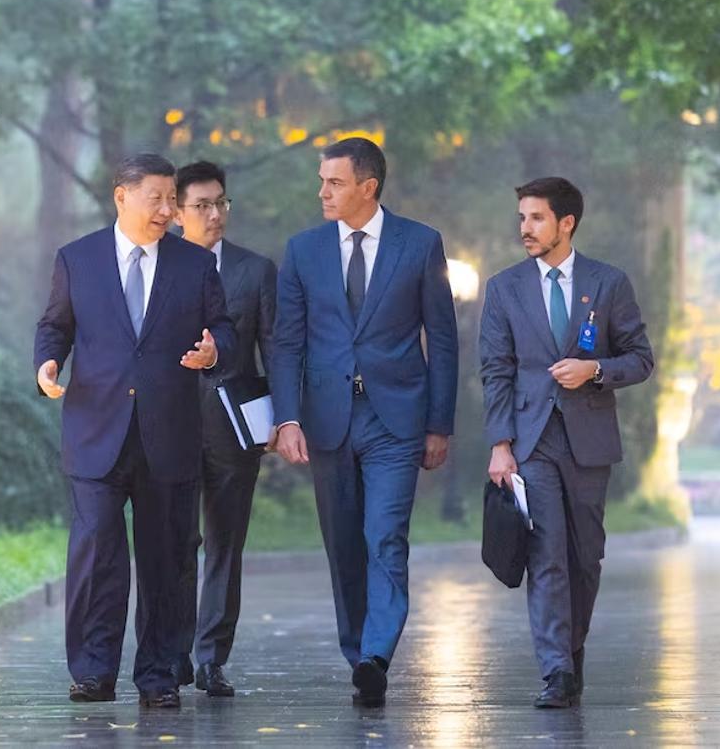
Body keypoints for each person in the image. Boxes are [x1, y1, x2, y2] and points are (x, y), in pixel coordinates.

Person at [33, 152, 236, 709]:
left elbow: (223, 328)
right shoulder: (77, 259)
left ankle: (159, 675)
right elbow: (55, 326)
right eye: (157, 198)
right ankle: (92, 672)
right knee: (96, 552)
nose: (168, 210)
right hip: (95, 430)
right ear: (121, 197)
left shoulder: (195, 265)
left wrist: (214, 350)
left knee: (166, 560)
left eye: (172, 199)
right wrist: (47, 365)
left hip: (169, 433)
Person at [269, 137, 458, 706]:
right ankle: (359, 658)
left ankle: (377, 652)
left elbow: (443, 339)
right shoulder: (304, 251)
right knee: (343, 544)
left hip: (395, 420)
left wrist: (439, 424)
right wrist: (287, 418)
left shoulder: (419, 244)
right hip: (327, 419)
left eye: (335, 182)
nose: (323, 192)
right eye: (322, 181)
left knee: (386, 537)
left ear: (368, 187)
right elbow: (286, 343)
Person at [479, 176, 654, 708]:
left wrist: (594, 369)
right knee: (547, 554)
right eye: (522, 218)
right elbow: (495, 370)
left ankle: (572, 651)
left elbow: (640, 358)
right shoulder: (504, 288)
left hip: (589, 439)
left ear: (566, 223)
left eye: (536, 218)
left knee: (585, 558)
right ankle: (555, 670)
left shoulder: (608, 282)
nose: (525, 228)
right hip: (531, 441)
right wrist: (500, 443)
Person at [169, 160, 277, 697]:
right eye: (202, 206)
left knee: (225, 544)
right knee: (175, 542)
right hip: (169, 425)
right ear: (178, 212)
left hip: (234, 429)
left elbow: (275, 349)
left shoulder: (255, 271)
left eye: (221, 203)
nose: (214, 214)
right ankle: (173, 654)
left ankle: (211, 658)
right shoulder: (158, 265)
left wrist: (284, 417)